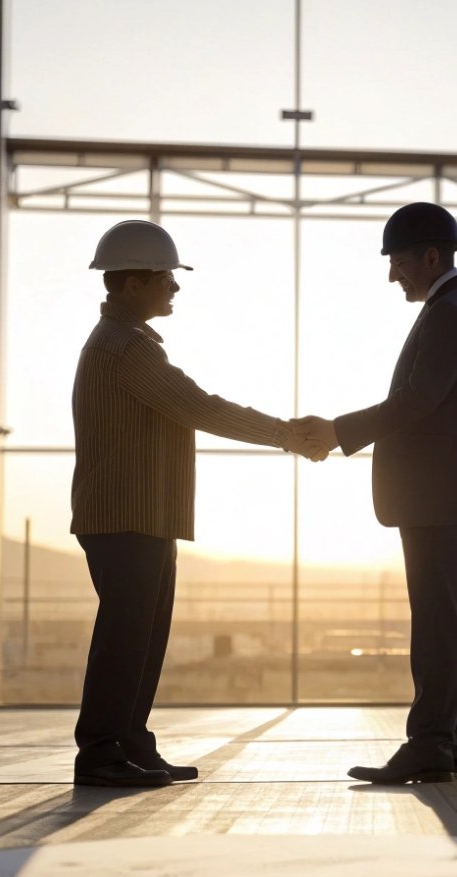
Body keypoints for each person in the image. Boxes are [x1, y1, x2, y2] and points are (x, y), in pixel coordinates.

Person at [71, 219, 327, 788]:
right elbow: (200, 408)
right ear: (133, 283)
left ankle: (130, 743)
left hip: (144, 515)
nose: (175, 289)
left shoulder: (126, 343)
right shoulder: (125, 349)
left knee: (142, 636)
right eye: (166, 277)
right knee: (125, 637)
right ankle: (101, 751)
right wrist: (287, 434)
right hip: (126, 517)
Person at [301, 203, 457, 784]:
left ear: (431, 256)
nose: (394, 275)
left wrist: (338, 431)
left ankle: (431, 745)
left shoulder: (448, 314)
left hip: (440, 496)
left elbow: (418, 401)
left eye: (397, 261)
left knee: (440, 620)